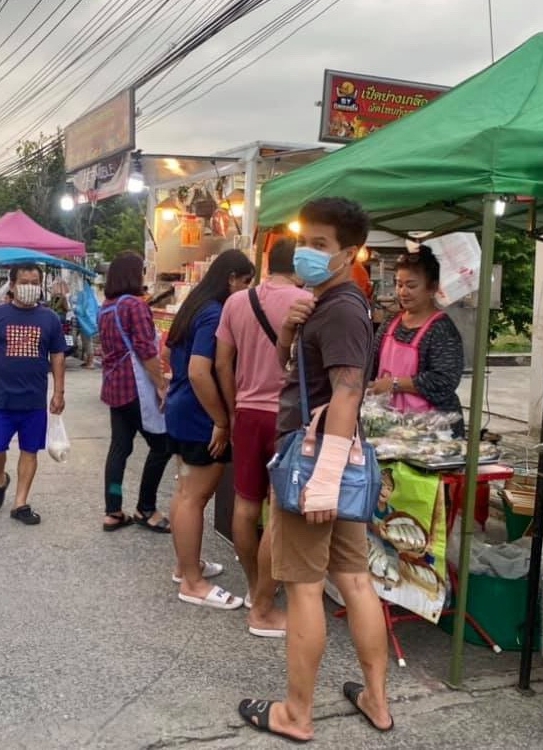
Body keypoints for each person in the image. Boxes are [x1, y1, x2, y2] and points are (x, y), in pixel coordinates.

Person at [237, 197, 392, 742]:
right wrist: (287, 335)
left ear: (349, 253)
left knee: (306, 587)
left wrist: (323, 479)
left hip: (314, 468)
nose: (306, 252)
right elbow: (299, 378)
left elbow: (348, 394)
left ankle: (296, 714)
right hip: (330, 463)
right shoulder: (323, 304)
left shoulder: (345, 309)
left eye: (320, 245)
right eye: (304, 240)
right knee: (353, 578)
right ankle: (375, 699)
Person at [215, 238, 313, 637]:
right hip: (289, 417)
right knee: (281, 514)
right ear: (301, 265)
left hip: (248, 414)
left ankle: (257, 586)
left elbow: (222, 362)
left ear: (269, 263)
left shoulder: (236, 302)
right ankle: (263, 606)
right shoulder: (307, 303)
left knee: (245, 506)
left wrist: (234, 406)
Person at [166, 249, 254, 611]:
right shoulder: (215, 312)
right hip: (201, 414)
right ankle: (192, 582)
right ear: (231, 278)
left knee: (186, 490)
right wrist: (221, 419)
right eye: (246, 282)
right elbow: (201, 370)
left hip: (182, 409)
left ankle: (186, 566)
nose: (247, 290)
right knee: (194, 496)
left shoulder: (194, 306)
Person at [0, 264, 66, 526]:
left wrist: (58, 392)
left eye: (35, 282)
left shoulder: (50, 319)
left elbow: (57, 356)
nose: (30, 287)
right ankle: (0, 478)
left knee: (30, 451)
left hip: (34, 400)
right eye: (24, 281)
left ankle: (20, 502)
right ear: (12, 285)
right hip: (3, 399)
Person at [97, 253, 173, 533]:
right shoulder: (135, 306)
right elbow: (146, 351)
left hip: (114, 386)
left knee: (120, 448)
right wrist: (161, 385)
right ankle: (146, 508)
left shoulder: (106, 307)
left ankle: (113, 511)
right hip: (135, 388)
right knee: (162, 445)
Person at [368, 246, 465, 434]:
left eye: (411, 286)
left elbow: (444, 380)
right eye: (399, 284)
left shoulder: (441, 329)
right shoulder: (391, 322)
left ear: (433, 288)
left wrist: (395, 384)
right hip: (389, 422)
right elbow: (370, 364)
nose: (403, 292)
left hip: (433, 428)